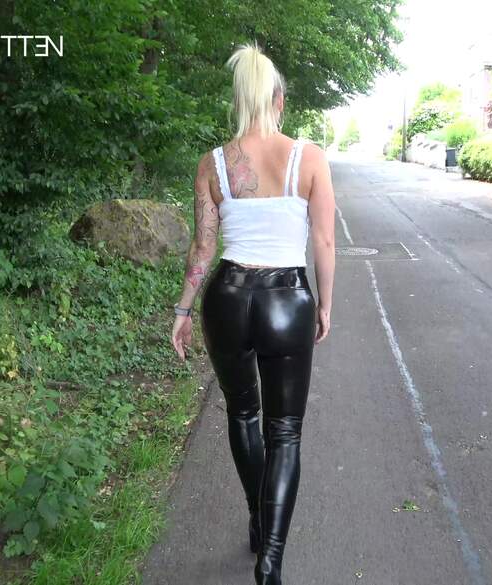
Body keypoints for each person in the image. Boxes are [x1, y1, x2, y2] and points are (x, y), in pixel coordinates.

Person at [170, 43, 336, 585]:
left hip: (228, 298)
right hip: (286, 299)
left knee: (243, 415)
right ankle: (271, 562)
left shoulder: (212, 164)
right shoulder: (308, 158)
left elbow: (202, 248)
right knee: (284, 431)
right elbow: (324, 242)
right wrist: (324, 304)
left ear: (238, 100)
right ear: (279, 101)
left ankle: (257, 519)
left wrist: (183, 309)